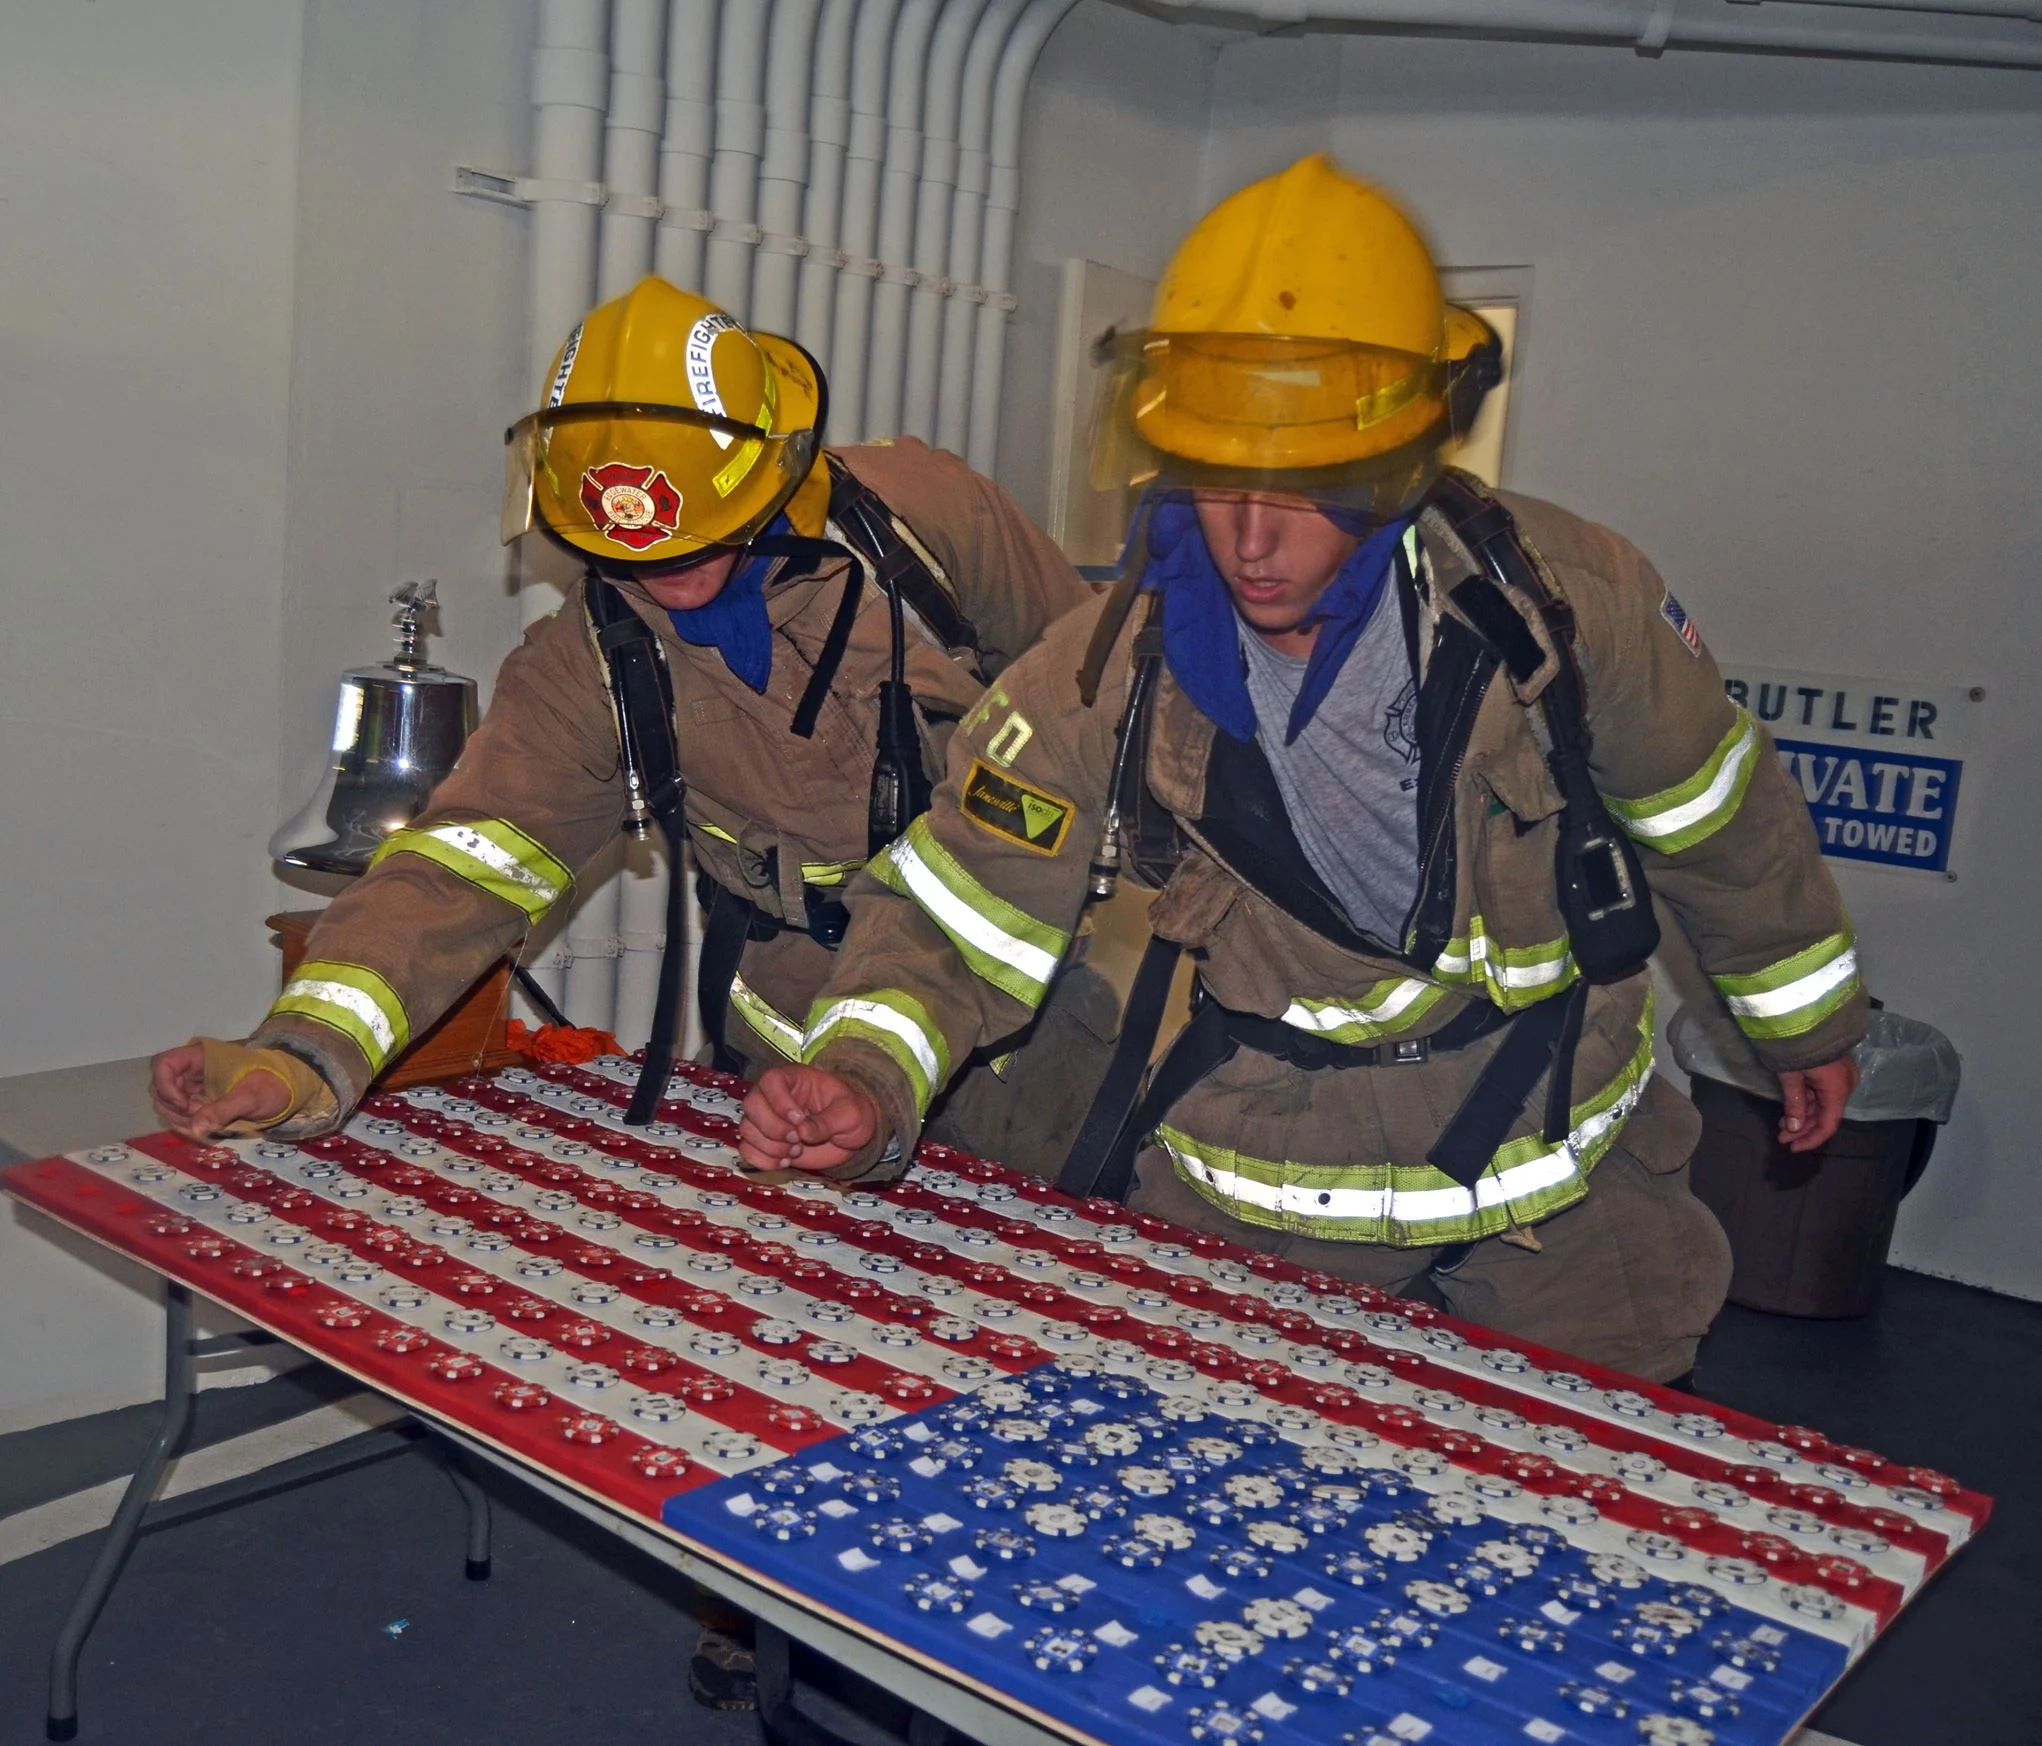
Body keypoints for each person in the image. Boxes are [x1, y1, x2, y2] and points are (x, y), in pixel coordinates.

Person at [737, 156, 1865, 1387]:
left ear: (1386, 469)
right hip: (1269, 1193)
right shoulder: (1104, 671)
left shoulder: (1558, 606)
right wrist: (861, 1074)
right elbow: (962, 910)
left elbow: (1712, 810)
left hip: (1562, 1174)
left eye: (1303, 490)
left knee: (1576, 1520)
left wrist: (1799, 1019)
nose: (1250, 540)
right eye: (1216, 482)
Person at [147, 274, 1101, 1707]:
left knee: (1044, 1374)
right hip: (794, 1034)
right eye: (629, 558)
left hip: (1040, 1020)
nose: (670, 584)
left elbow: (1107, 707)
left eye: (704, 545)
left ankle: (1044, 1659)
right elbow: (460, 870)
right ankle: (780, 1609)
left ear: (775, 476)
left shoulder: (928, 525)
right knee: (805, 1354)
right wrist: (300, 1051)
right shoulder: (582, 664)